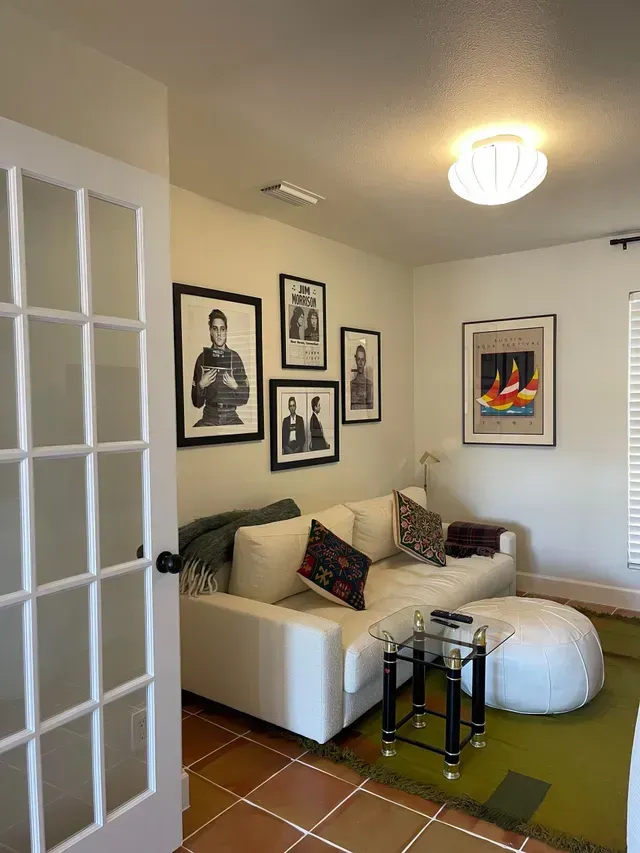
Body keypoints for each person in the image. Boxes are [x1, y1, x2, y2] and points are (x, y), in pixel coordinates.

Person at [191, 308, 249, 426]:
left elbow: (245, 398)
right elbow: (196, 403)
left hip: (231, 417)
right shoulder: (202, 359)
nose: (219, 333)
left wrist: (235, 386)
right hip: (209, 417)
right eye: (215, 329)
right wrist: (201, 385)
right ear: (210, 331)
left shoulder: (235, 358)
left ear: (226, 331)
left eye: (222, 329)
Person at [350, 344, 374, 409]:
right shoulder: (351, 384)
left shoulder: (369, 384)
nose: (360, 363)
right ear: (356, 360)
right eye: (358, 359)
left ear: (365, 361)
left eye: (362, 360)